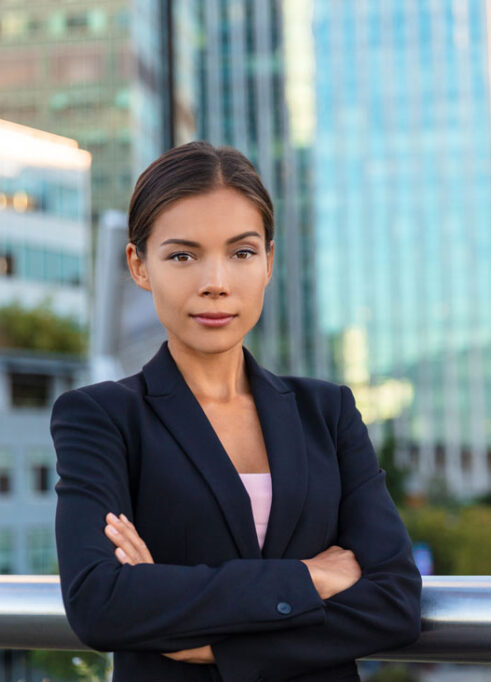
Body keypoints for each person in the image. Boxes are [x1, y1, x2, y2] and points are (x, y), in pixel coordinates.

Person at [49, 140, 423, 681]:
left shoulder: (328, 412)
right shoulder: (101, 418)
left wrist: (217, 644)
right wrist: (307, 579)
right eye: (183, 255)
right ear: (139, 265)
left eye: (242, 253)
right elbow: (101, 601)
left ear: (269, 261)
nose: (216, 282)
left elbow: (393, 602)